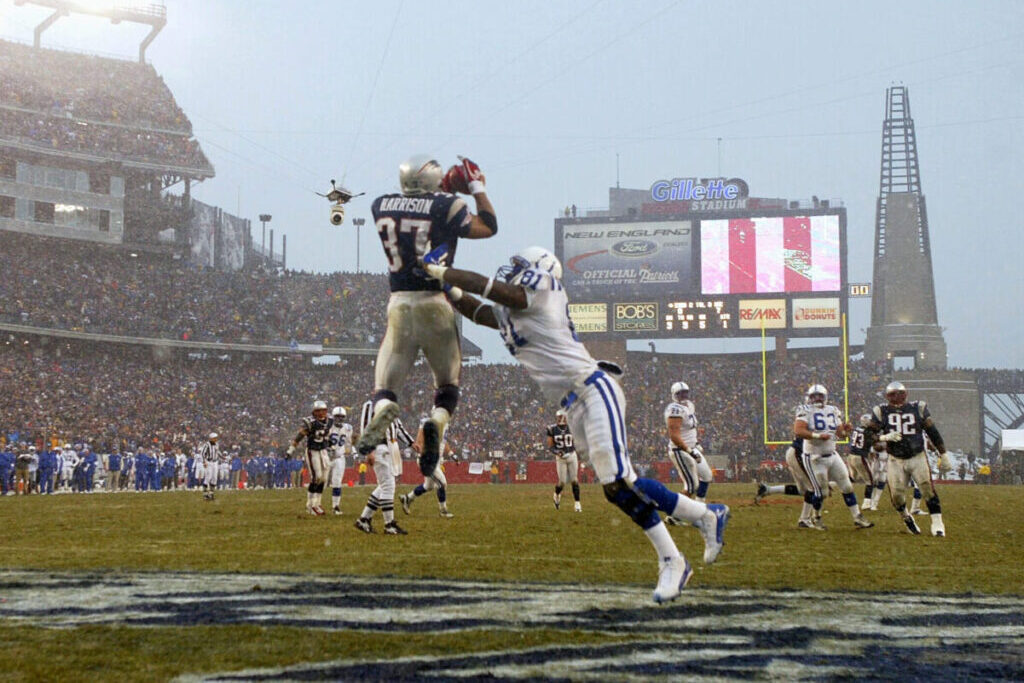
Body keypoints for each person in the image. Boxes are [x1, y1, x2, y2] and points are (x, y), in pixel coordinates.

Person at [424, 244, 729, 604]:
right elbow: (478, 311)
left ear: (538, 269)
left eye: (520, 265)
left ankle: (674, 559)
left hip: (593, 392)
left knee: (617, 485)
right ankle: (705, 515)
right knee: (621, 486)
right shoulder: (518, 311)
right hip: (574, 404)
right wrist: (447, 290)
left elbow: (494, 289)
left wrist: (441, 270)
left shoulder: (545, 290)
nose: (513, 271)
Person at [356, 154, 498, 484]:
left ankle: (382, 413)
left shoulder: (380, 205)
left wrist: (443, 190)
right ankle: (435, 422)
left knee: (385, 386)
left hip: (399, 303)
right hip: (435, 300)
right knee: (447, 384)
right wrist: (475, 187)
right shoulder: (447, 206)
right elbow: (488, 226)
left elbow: (417, 206)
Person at [867, 382, 952, 536]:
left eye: (900, 393)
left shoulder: (917, 408)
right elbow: (868, 435)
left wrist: (943, 454)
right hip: (894, 459)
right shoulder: (881, 411)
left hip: (917, 456)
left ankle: (938, 523)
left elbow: (932, 431)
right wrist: (883, 436)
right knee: (897, 496)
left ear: (906, 393)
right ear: (887, 396)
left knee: (927, 488)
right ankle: (906, 517)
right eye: (893, 394)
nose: (897, 397)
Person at [793, 384, 874, 530]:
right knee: (822, 492)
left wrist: (845, 431)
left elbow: (839, 434)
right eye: (814, 396)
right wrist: (818, 435)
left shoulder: (832, 410)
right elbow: (798, 431)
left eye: (820, 396)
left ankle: (857, 517)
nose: (817, 399)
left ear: (825, 397)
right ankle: (816, 517)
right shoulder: (804, 410)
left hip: (832, 454)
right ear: (809, 398)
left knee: (847, 486)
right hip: (814, 457)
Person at [354, 400, 413, 535]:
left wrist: (411, 442)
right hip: (378, 447)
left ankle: (364, 519)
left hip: (390, 447)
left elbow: (398, 427)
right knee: (388, 485)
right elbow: (365, 426)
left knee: (384, 485)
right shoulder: (371, 404)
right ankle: (389, 524)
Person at [664, 381, 712, 503]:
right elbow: (674, 436)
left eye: (685, 393)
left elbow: (690, 429)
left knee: (706, 476)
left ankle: (699, 507)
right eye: (680, 393)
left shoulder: (689, 405)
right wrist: (690, 451)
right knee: (691, 486)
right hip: (680, 450)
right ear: (674, 394)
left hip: (692, 447)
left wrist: (696, 444)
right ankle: (674, 515)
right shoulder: (674, 409)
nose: (684, 396)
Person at [400, 418, 456, 518]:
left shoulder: (445, 424)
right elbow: (419, 440)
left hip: (437, 460)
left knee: (428, 486)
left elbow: (443, 441)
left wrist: (451, 454)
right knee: (442, 483)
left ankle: (407, 498)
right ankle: (443, 511)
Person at [286, 401, 333, 516]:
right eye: (318, 411)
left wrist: (330, 445)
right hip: (313, 450)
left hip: (323, 450)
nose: (321, 413)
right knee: (317, 477)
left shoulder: (330, 420)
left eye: (323, 410)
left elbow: (328, 435)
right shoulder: (310, 422)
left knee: (324, 478)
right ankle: (310, 505)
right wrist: (290, 450)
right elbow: (300, 436)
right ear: (314, 412)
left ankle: (317, 503)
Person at [546, 409, 581, 512]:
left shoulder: (572, 427)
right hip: (560, 458)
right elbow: (551, 446)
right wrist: (557, 452)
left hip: (571, 454)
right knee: (562, 482)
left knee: (574, 480)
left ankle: (577, 504)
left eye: (562, 416)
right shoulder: (552, 429)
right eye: (559, 417)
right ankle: (556, 494)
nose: (561, 419)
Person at [846, 414, 877, 510]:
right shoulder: (868, 432)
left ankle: (847, 497)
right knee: (870, 481)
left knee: (852, 478)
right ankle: (866, 503)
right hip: (859, 457)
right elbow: (875, 440)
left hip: (851, 456)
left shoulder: (857, 429)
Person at [328, 406, 353, 515]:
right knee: (319, 480)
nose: (339, 419)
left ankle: (335, 506)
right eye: (337, 417)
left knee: (337, 482)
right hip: (326, 456)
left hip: (339, 457)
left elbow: (348, 443)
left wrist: (351, 451)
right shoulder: (328, 426)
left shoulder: (348, 428)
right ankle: (314, 504)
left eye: (341, 417)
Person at [198, 433, 221, 498]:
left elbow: (218, 452)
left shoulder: (217, 444)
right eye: (215, 438)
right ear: (211, 438)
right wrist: (204, 462)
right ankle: (205, 493)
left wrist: (222, 457)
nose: (216, 439)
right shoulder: (206, 445)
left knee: (214, 478)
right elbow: (202, 454)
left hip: (215, 462)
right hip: (209, 462)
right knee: (208, 477)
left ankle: (211, 493)